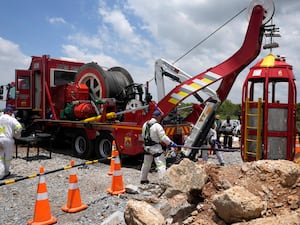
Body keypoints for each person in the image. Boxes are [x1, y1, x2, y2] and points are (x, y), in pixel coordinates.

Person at [140, 109, 177, 184]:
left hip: (147, 147)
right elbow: (163, 137)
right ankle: (163, 181)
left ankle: (143, 179)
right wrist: (171, 143)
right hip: (155, 148)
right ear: (158, 116)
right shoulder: (157, 126)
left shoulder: (145, 124)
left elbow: (143, 135)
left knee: (146, 164)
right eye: (160, 116)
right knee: (161, 164)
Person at [0, 106, 22, 180]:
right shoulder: (12, 119)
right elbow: (19, 128)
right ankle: (5, 173)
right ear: (10, 112)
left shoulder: (0, 118)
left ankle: (0, 173)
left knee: (0, 157)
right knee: (7, 158)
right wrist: (17, 136)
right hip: (8, 140)